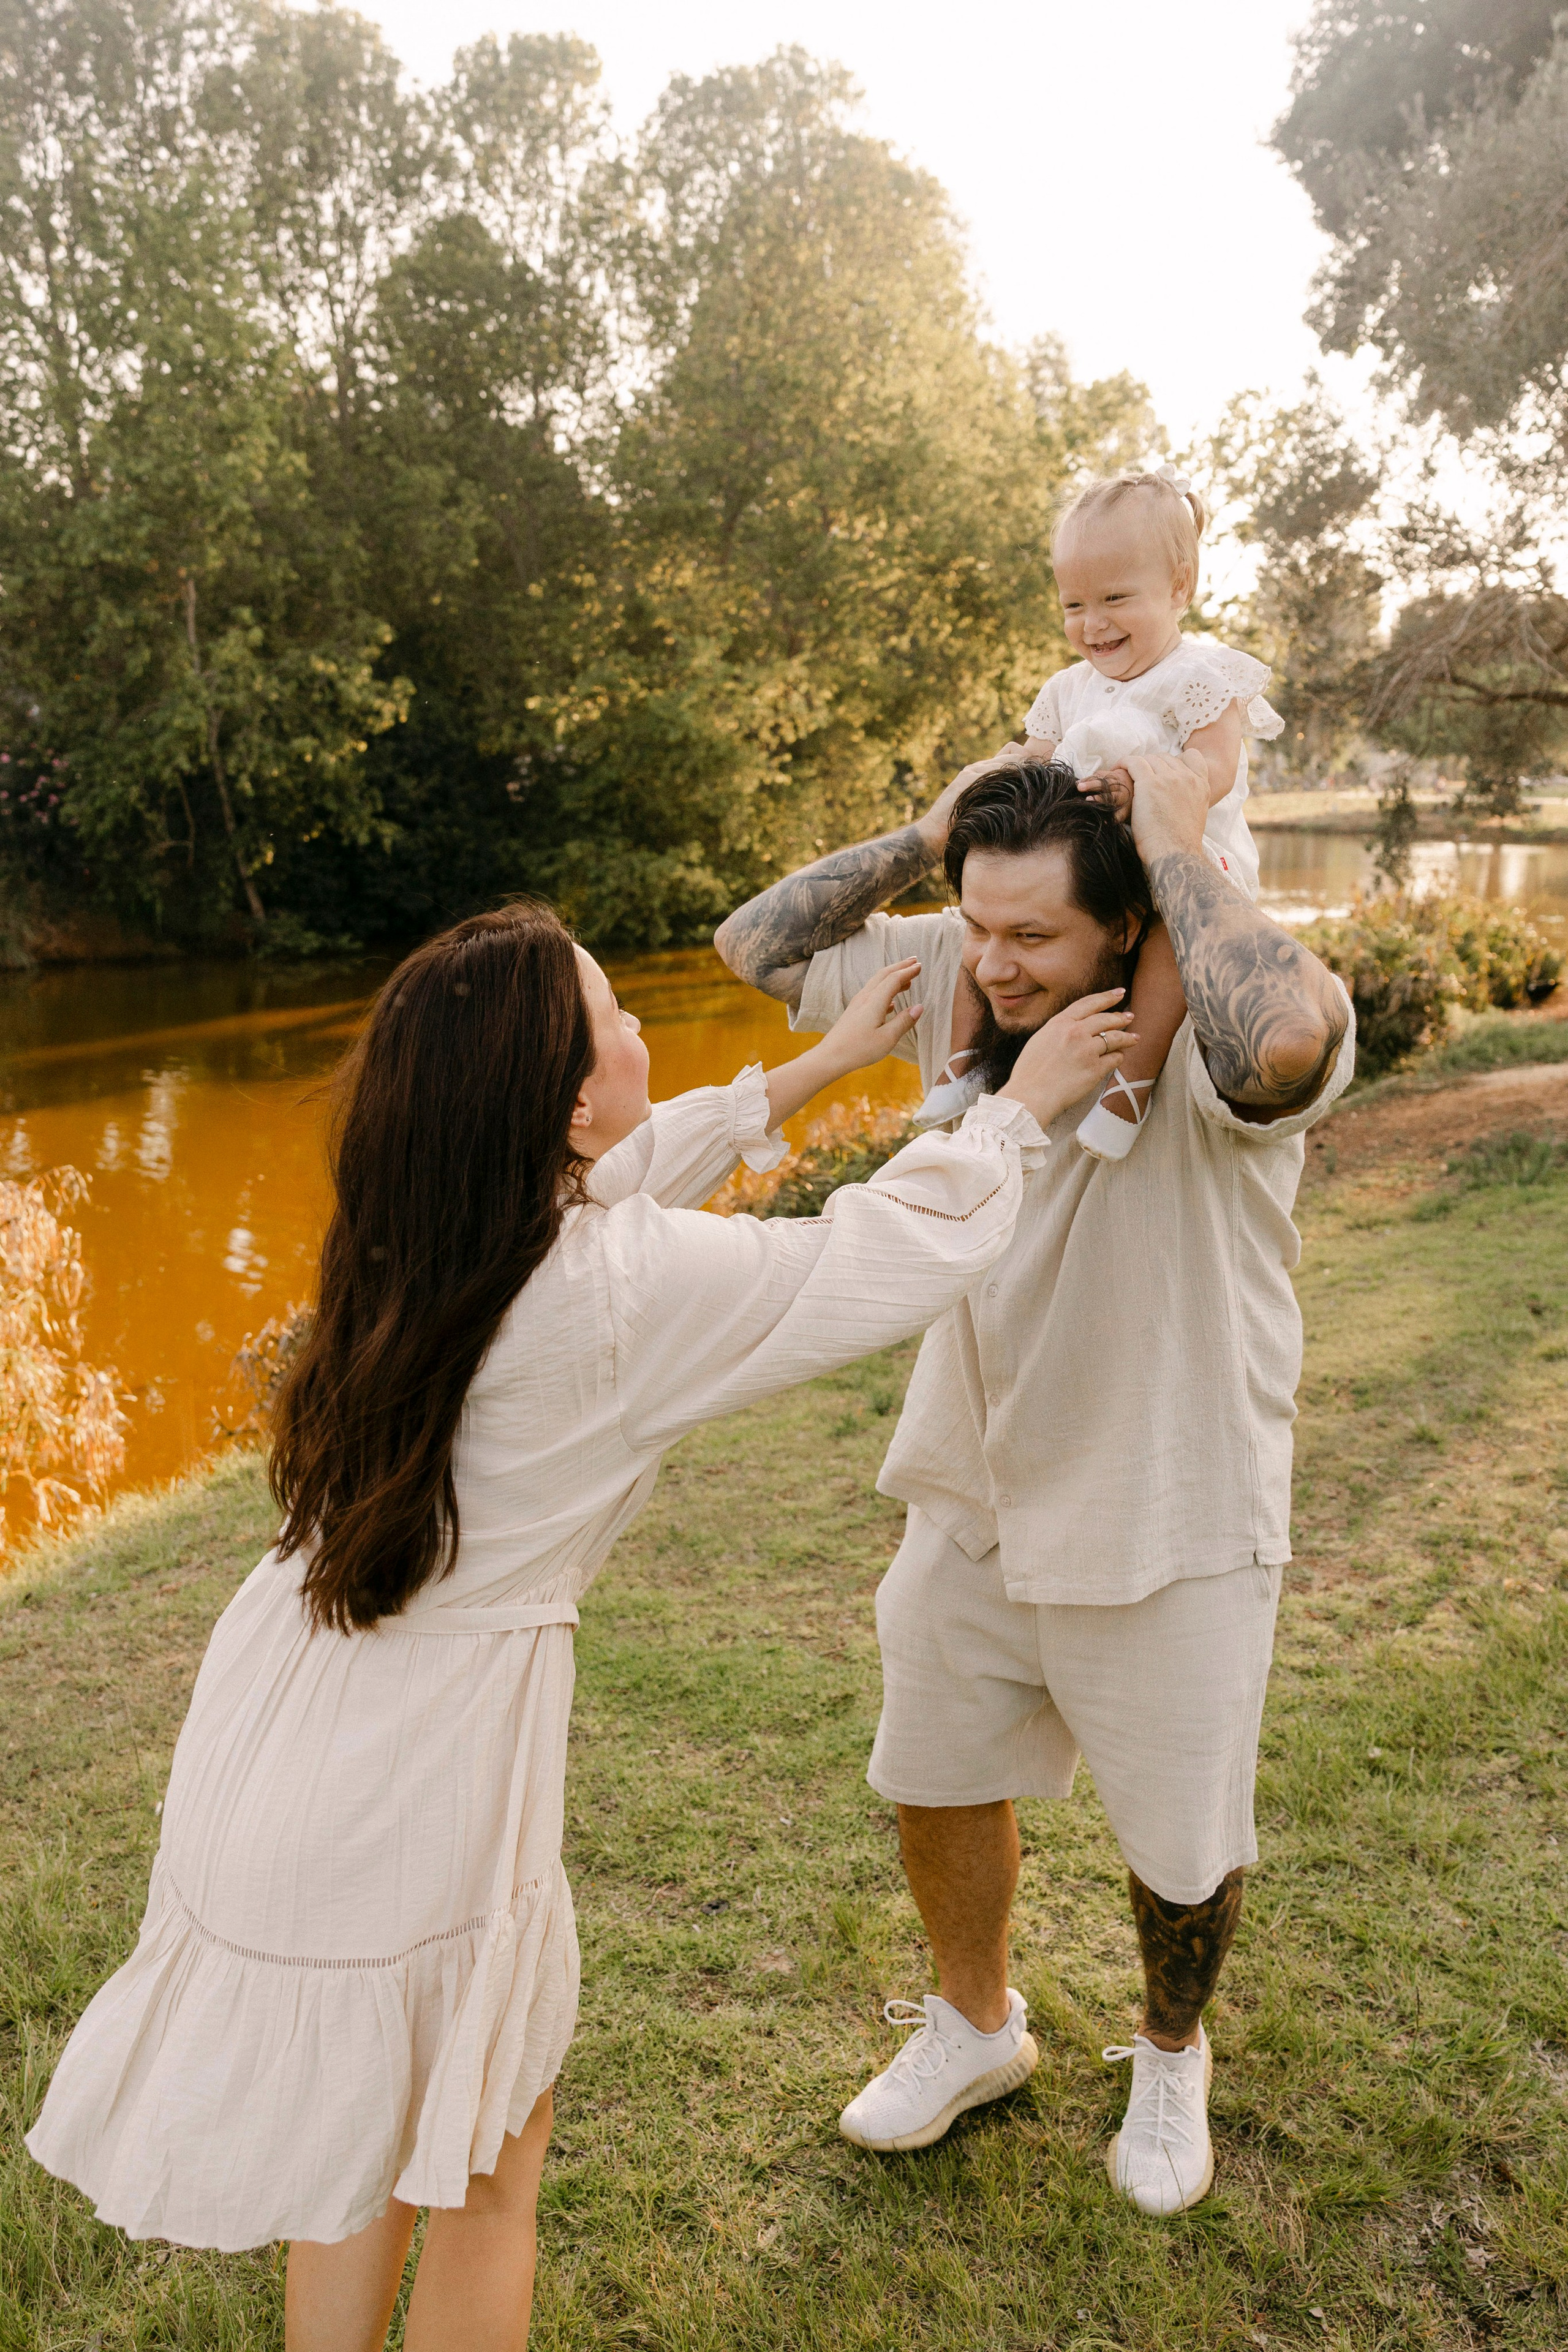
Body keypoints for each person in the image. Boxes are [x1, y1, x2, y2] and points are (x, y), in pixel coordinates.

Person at [26, 898, 1134, 2350]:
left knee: (375, 2141)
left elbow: (622, 1170)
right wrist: (1018, 1112)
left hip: (285, 1720)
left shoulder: (419, 1225)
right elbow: (876, 1252)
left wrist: (814, 1067)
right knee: (488, 2153)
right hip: (417, 1774)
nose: (640, 1033)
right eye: (617, 1020)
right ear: (556, 1097)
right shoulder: (611, 1292)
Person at [714, 752, 1354, 2215]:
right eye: (974, 922)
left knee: (1182, 1831)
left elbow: (1281, 1055)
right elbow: (754, 948)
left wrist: (1177, 843)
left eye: (1030, 938)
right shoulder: (965, 965)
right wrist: (932, 838)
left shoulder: (1210, 1007)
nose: (989, 964)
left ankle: (1166, 2053)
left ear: (1128, 928)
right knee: (931, 1772)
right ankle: (972, 2026)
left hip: (1169, 1496)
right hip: (971, 1484)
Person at [924, 466, 1285, 1164]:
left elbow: (1213, 769)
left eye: (1115, 598)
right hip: (1084, 862)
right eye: (1073, 606)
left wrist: (1143, 793)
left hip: (1177, 850)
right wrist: (1000, 780)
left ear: (1179, 587)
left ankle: (1132, 1081)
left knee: (1166, 946)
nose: (1093, 624)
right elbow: (1037, 762)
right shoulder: (1067, 689)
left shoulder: (1199, 677)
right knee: (980, 921)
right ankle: (964, 1058)